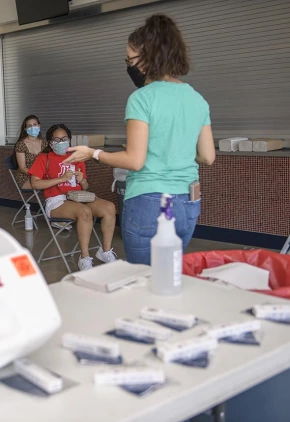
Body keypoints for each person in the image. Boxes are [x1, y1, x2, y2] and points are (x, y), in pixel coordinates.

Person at [64, 14, 216, 266]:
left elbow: (134, 160)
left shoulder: (142, 98)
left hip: (149, 200)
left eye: (130, 59)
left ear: (149, 57)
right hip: (188, 201)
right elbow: (208, 156)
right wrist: (173, 149)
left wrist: (93, 153)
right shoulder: (196, 99)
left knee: (143, 280)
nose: (129, 65)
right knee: (169, 275)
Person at [29, 124, 118, 271]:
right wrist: (61, 179)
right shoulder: (44, 158)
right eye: (56, 139)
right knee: (84, 212)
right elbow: (34, 184)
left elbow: (85, 187)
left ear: (69, 140)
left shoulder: (77, 157)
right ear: (50, 142)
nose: (61, 142)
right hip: (56, 201)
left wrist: (82, 180)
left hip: (78, 197)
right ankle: (84, 258)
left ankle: (105, 251)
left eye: (64, 138)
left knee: (109, 207)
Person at [13, 115, 48, 190]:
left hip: (43, 175)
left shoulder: (45, 143)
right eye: (29, 126)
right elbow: (22, 168)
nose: (32, 128)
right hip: (26, 177)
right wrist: (37, 175)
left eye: (35, 125)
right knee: (52, 185)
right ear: (25, 129)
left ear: (39, 126)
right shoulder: (21, 144)